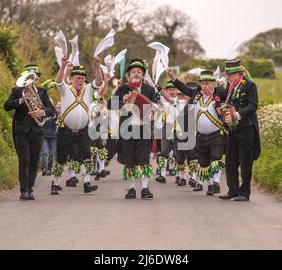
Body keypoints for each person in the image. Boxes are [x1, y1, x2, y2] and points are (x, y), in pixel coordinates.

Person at [168, 68, 227, 196]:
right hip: (200, 135)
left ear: (213, 83)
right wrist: (173, 78)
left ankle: (216, 182)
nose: (204, 86)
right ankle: (210, 185)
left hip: (217, 134)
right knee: (204, 162)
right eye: (203, 83)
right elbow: (184, 88)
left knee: (216, 158)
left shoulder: (220, 93)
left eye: (207, 83)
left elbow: (229, 93)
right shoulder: (196, 94)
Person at [50, 56, 105, 195]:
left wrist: (97, 67)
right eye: (77, 78)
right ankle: (55, 183)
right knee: (61, 158)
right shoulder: (65, 90)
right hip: (66, 130)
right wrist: (63, 67)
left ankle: (87, 183)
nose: (80, 80)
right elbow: (58, 81)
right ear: (72, 79)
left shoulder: (88, 89)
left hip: (83, 130)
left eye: (82, 78)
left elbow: (99, 81)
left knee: (87, 155)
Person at [4, 64, 55, 200]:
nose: (33, 81)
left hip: (37, 130)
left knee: (34, 161)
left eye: (36, 78)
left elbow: (52, 110)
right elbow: (6, 106)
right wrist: (22, 99)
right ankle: (23, 191)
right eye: (31, 78)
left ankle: (30, 189)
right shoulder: (16, 91)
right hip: (21, 130)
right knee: (24, 159)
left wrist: (41, 112)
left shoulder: (43, 92)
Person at [112, 58, 158, 199]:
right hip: (127, 129)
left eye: (139, 72)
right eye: (133, 72)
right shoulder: (122, 89)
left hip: (144, 129)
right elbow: (112, 105)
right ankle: (131, 189)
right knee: (129, 160)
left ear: (143, 76)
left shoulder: (149, 89)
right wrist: (123, 100)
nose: (136, 74)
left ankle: (145, 189)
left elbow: (155, 107)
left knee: (144, 159)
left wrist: (152, 114)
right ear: (129, 75)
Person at [218, 59, 261, 202]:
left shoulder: (249, 85)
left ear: (239, 74)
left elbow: (253, 105)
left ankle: (244, 192)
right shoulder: (231, 88)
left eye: (230, 75)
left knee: (245, 161)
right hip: (233, 128)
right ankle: (233, 190)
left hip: (246, 128)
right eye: (227, 75)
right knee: (230, 160)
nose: (228, 77)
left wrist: (237, 114)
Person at [41, 100, 59, 177]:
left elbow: (57, 120)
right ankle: (44, 168)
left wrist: (57, 111)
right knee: (44, 153)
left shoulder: (54, 113)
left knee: (52, 154)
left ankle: (49, 168)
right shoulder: (42, 113)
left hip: (53, 137)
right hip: (44, 136)